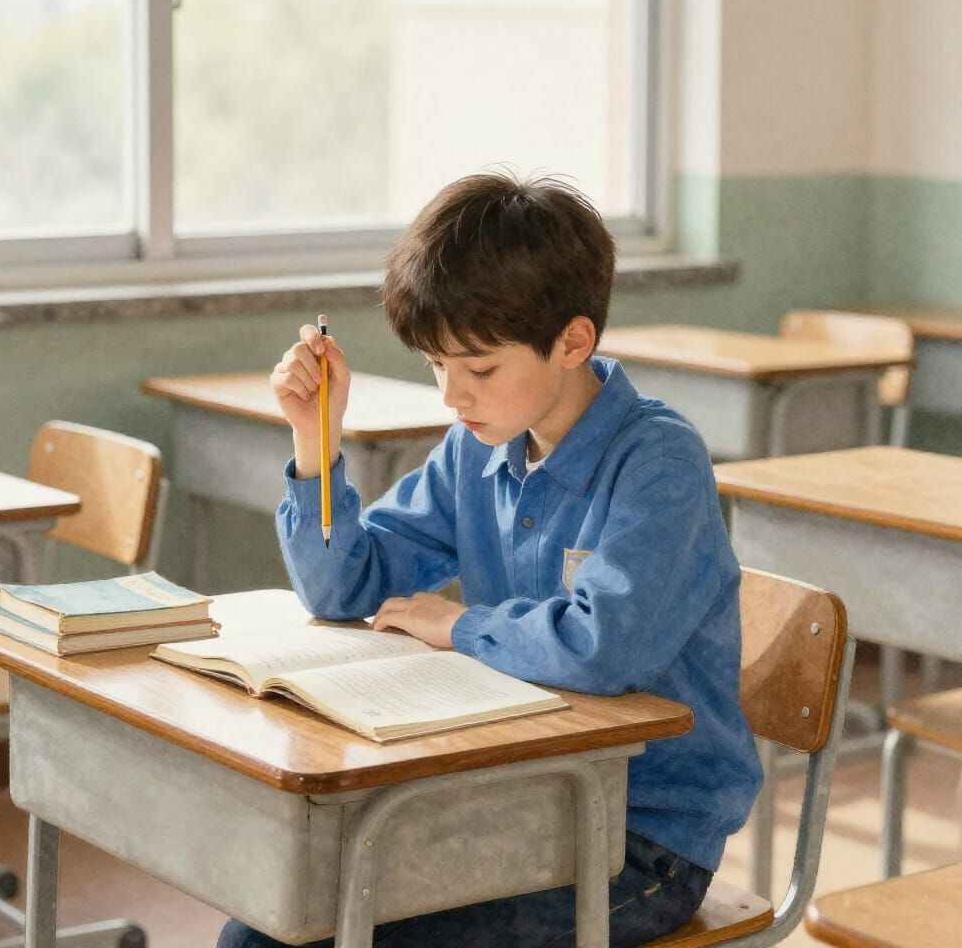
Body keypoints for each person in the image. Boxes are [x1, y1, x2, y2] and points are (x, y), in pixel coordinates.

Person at [218, 172, 762, 948]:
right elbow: (343, 588)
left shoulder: (658, 462)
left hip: (638, 844)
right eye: (436, 367)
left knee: (318, 935)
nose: (452, 397)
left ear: (574, 342)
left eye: (478, 370)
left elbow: (603, 646)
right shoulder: (474, 454)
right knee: (271, 922)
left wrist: (460, 625)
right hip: (516, 804)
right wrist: (317, 441)